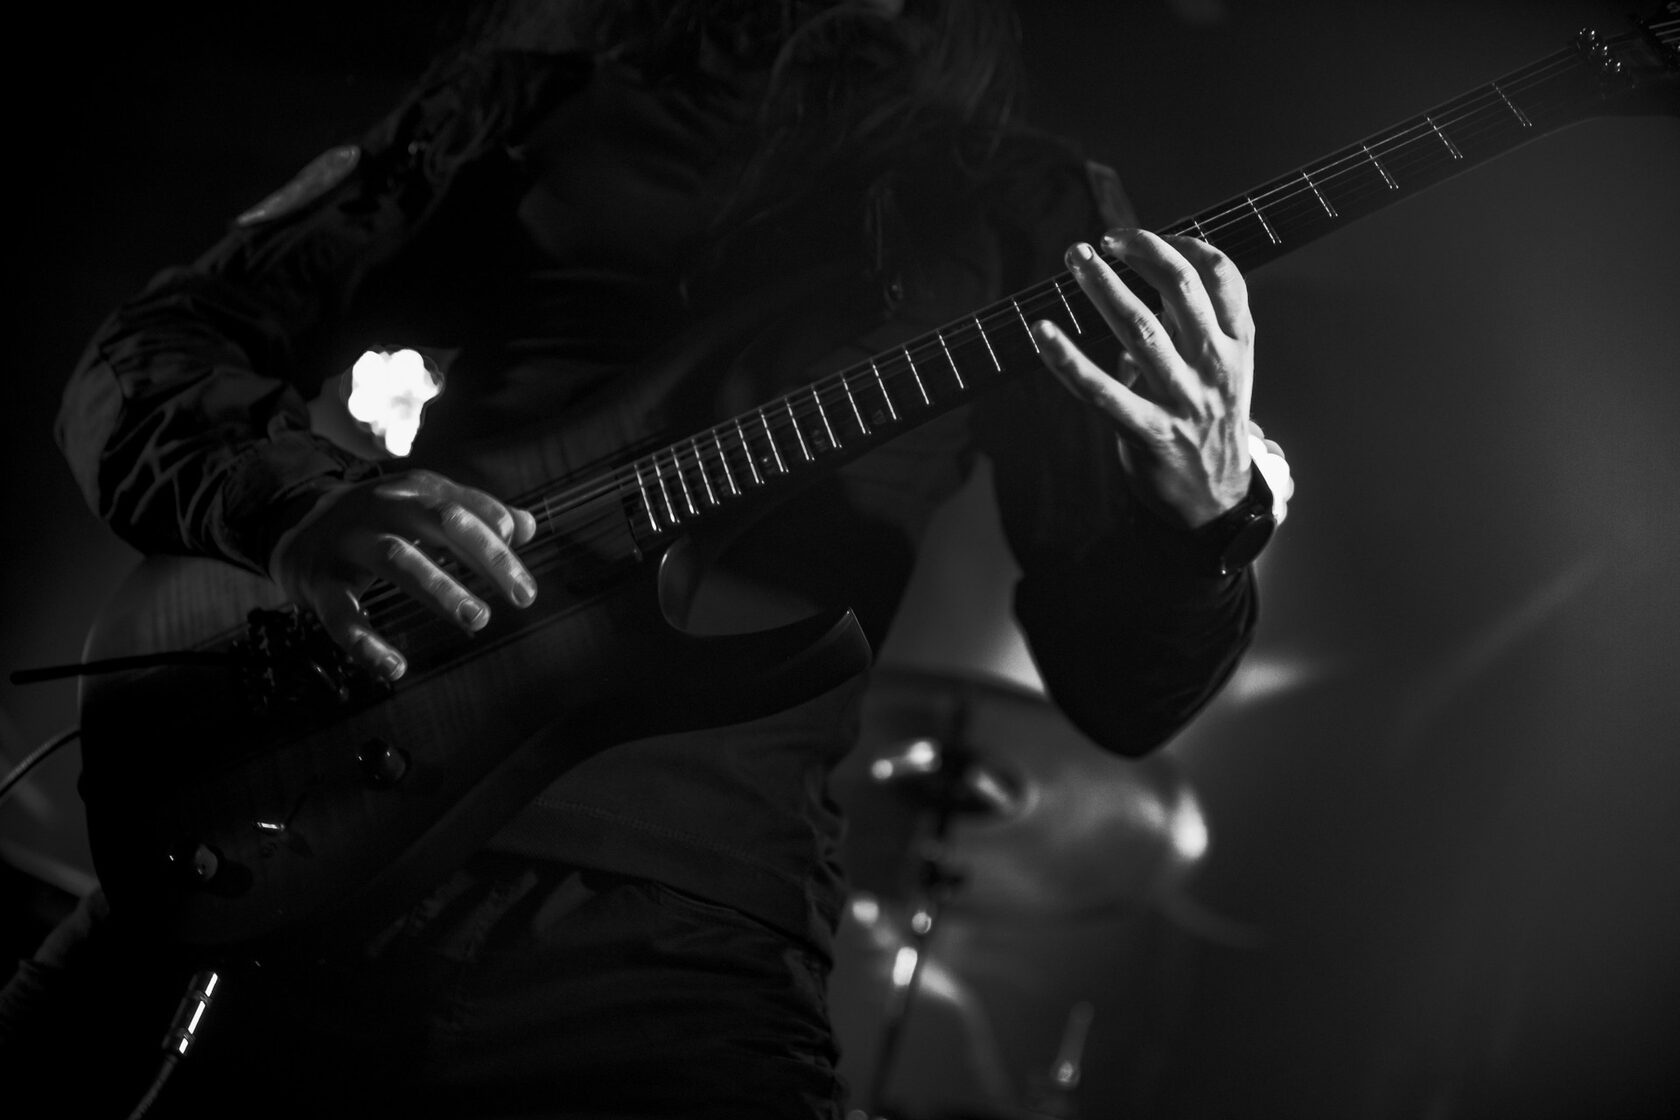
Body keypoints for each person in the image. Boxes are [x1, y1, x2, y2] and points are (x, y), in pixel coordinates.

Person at [2, 1, 1291, 1116]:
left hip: (678, 926)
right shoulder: (534, 100)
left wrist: (1204, 517)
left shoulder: (1031, 214)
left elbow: (1125, 693)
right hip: (298, 786)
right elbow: (153, 348)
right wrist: (299, 507)